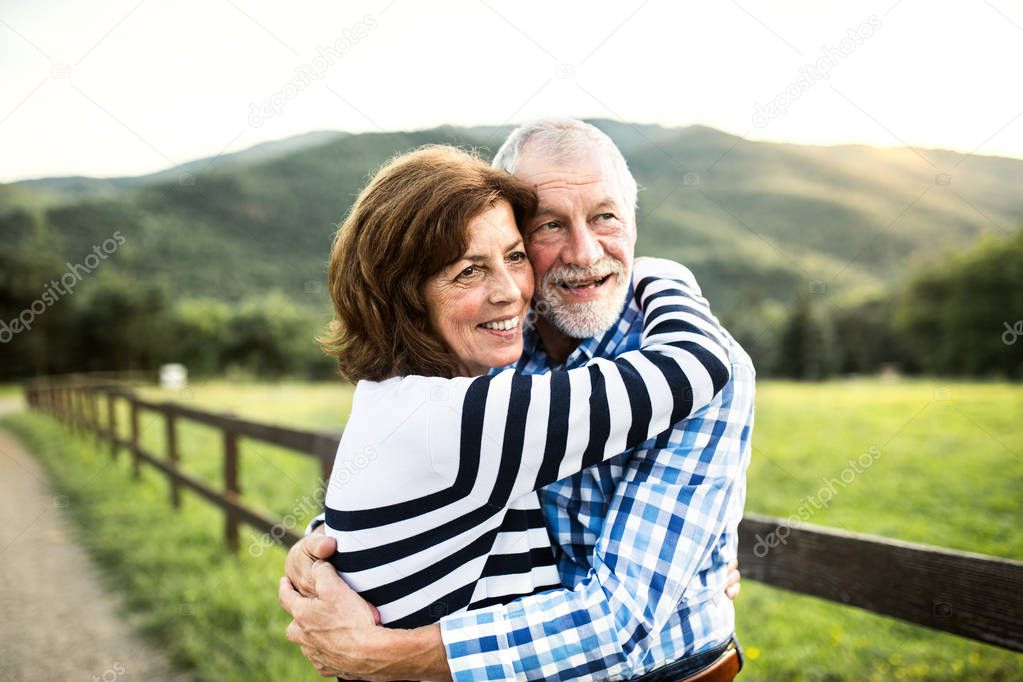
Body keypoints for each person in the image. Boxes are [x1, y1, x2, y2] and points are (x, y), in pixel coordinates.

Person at [282, 120, 755, 681]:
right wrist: (329, 550)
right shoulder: (493, 340)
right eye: (551, 225)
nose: (585, 251)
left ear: (634, 222)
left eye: (606, 216)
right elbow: (426, 473)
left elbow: (621, 622)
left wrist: (385, 655)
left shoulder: (707, 366)